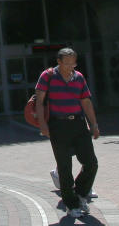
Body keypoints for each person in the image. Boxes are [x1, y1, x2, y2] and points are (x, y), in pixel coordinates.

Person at [35, 47, 100, 218]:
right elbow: (39, 102)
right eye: (67, 63)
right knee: (64, 167)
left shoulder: (79, 77)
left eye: (74, 63)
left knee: (91, 163)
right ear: (59, 61)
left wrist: (93, 124)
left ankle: (79, 193)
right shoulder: (47, 76)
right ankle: (72, 205)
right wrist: (43, 124)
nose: (71, 66)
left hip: (78, 123)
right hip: (58, 125)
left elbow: (85, 101)